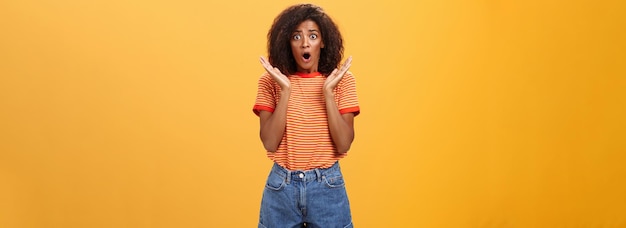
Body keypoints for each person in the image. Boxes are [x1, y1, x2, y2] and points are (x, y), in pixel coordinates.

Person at [252, 3, 360, 228]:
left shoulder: (342, 81)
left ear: (323, 42)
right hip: (281, 187)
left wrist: (328, 93)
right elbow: (270, 143)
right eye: (296, 36)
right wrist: (285, 91)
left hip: (327, 187)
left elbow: (344, 144)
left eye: (312, 36)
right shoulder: (271, 82)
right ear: (287, 43)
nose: (304, 43)